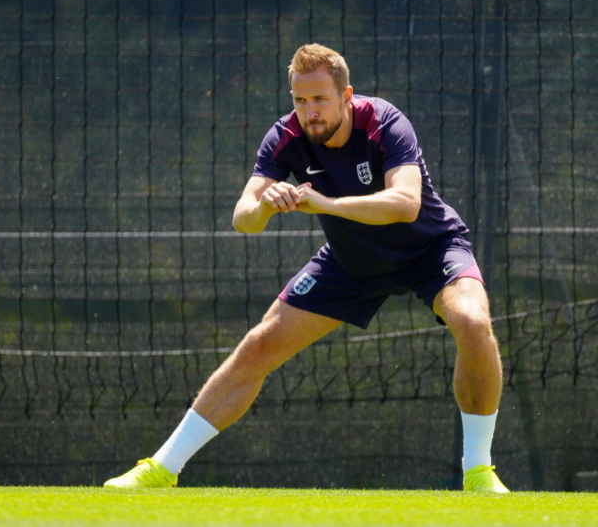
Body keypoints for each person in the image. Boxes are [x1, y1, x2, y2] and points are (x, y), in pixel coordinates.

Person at [104, 43, 509, 492]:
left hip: (431, 250)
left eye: (320, 99)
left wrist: (326, 203)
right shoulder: (285, 135)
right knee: (259, 345)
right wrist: (266, 205)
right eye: (300, 100)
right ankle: (161, 469)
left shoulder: (385, 122)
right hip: (351, 262)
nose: (309, 111)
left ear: (346, 96)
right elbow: (243, 218)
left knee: (472, 322)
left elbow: (406, 203)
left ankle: (478, 471)